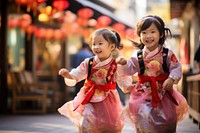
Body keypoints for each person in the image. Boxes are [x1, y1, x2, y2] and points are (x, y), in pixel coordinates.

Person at [117, 15, 189, 133]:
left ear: (160, 34)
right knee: (143, 117)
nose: (148, 36)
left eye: (152, 31)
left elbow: (176, 67)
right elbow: (130, 69)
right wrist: (124, 63)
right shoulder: (138, 55)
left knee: (168, 119)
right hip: (143, 93)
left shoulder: (167, 54)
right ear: (140, 35)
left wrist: (171, 79)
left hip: (164, 92)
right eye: (144, 32)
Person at [58, 28, 132, 133]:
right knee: (86, 122)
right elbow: (78, 73)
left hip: (108, 99)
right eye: (94, 44)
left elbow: (123, 79)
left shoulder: (115, 65)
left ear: (111, 46)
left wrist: (128, 86)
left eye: (100, 43)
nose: (96, 47)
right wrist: (69, 75)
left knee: (108, 126)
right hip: (89, 97)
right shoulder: (89, 62)